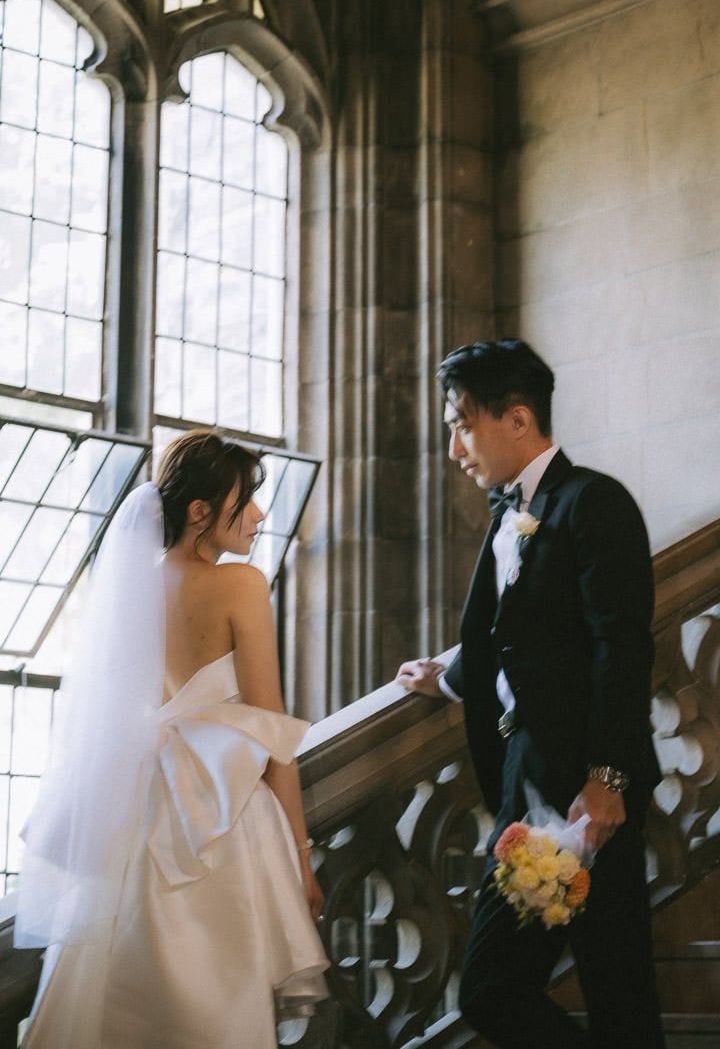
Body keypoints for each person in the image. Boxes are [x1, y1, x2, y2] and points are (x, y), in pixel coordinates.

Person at [15, 431, 329, 1048]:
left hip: (135, 814)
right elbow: (272, 731)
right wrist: (300, 856)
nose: (260, 515)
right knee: (218, 1005)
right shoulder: (242, 585)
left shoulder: (134, 587)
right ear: (200, 511)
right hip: (222, 821)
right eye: (246, 499)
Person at [396, 340, 665, 1049]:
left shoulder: (593, 502)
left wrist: (608, 778)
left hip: (589, 793)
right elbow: (516, 633)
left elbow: (620, 646)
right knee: (524, 993)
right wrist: (445, 676)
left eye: (462, 425)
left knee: (596, 999)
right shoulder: (508, 513)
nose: (454, 448)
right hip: (526, 784)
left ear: (517, 418)